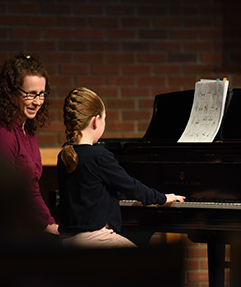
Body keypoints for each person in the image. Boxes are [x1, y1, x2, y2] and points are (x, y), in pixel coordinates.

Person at [57, 87, 185, 247]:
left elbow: (92, 189)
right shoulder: (99, 156)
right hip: (96, 240)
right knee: (147, 267)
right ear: (96, 121)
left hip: (66, 239)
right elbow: (131, 186)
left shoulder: (64, 155)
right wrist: (162, 198)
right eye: (105, 118)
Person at [0, 53, 59, 236]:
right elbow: (3, 197)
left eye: (41, 94)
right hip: (4, 232)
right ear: (11, 92)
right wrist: (46, 227)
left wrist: (51, 224)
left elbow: (32, 190)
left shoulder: (27, 131)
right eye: (30, 94)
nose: (37, 102)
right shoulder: (0, 136)